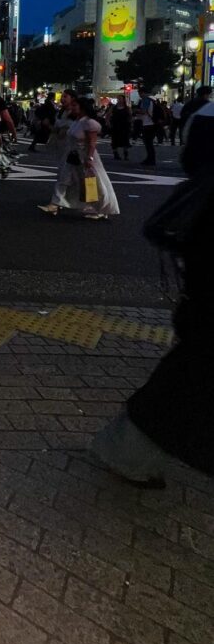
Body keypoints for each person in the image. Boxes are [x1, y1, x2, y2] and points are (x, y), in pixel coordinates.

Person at [91, 95, 214, 484]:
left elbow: (193, 160)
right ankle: (130, 449)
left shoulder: (205, 117)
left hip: (202, 250)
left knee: (197, 358)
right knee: (198, 363)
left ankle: (131, 448)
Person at [38, 96, 119, 219]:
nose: (72, 107)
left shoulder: (89, 123)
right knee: (63, 179)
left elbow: (92, 143)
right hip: (73, 155)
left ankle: (102, 209)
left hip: (85, 156)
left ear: (82, 108)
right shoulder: (77, 121)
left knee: (95, 183)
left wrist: (89, 158)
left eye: (75, 105)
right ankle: (54, 204)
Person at [135, 87, 157, 166]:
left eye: (140, 93)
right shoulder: (152, 100)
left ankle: (151, 159)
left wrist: (136, 110)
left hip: (148, 123)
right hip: (151, 123)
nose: (139, 95)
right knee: (149, 143)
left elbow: (143, 111)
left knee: (148, 143)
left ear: (143, 92)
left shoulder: (145, 100)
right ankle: (150, 158)